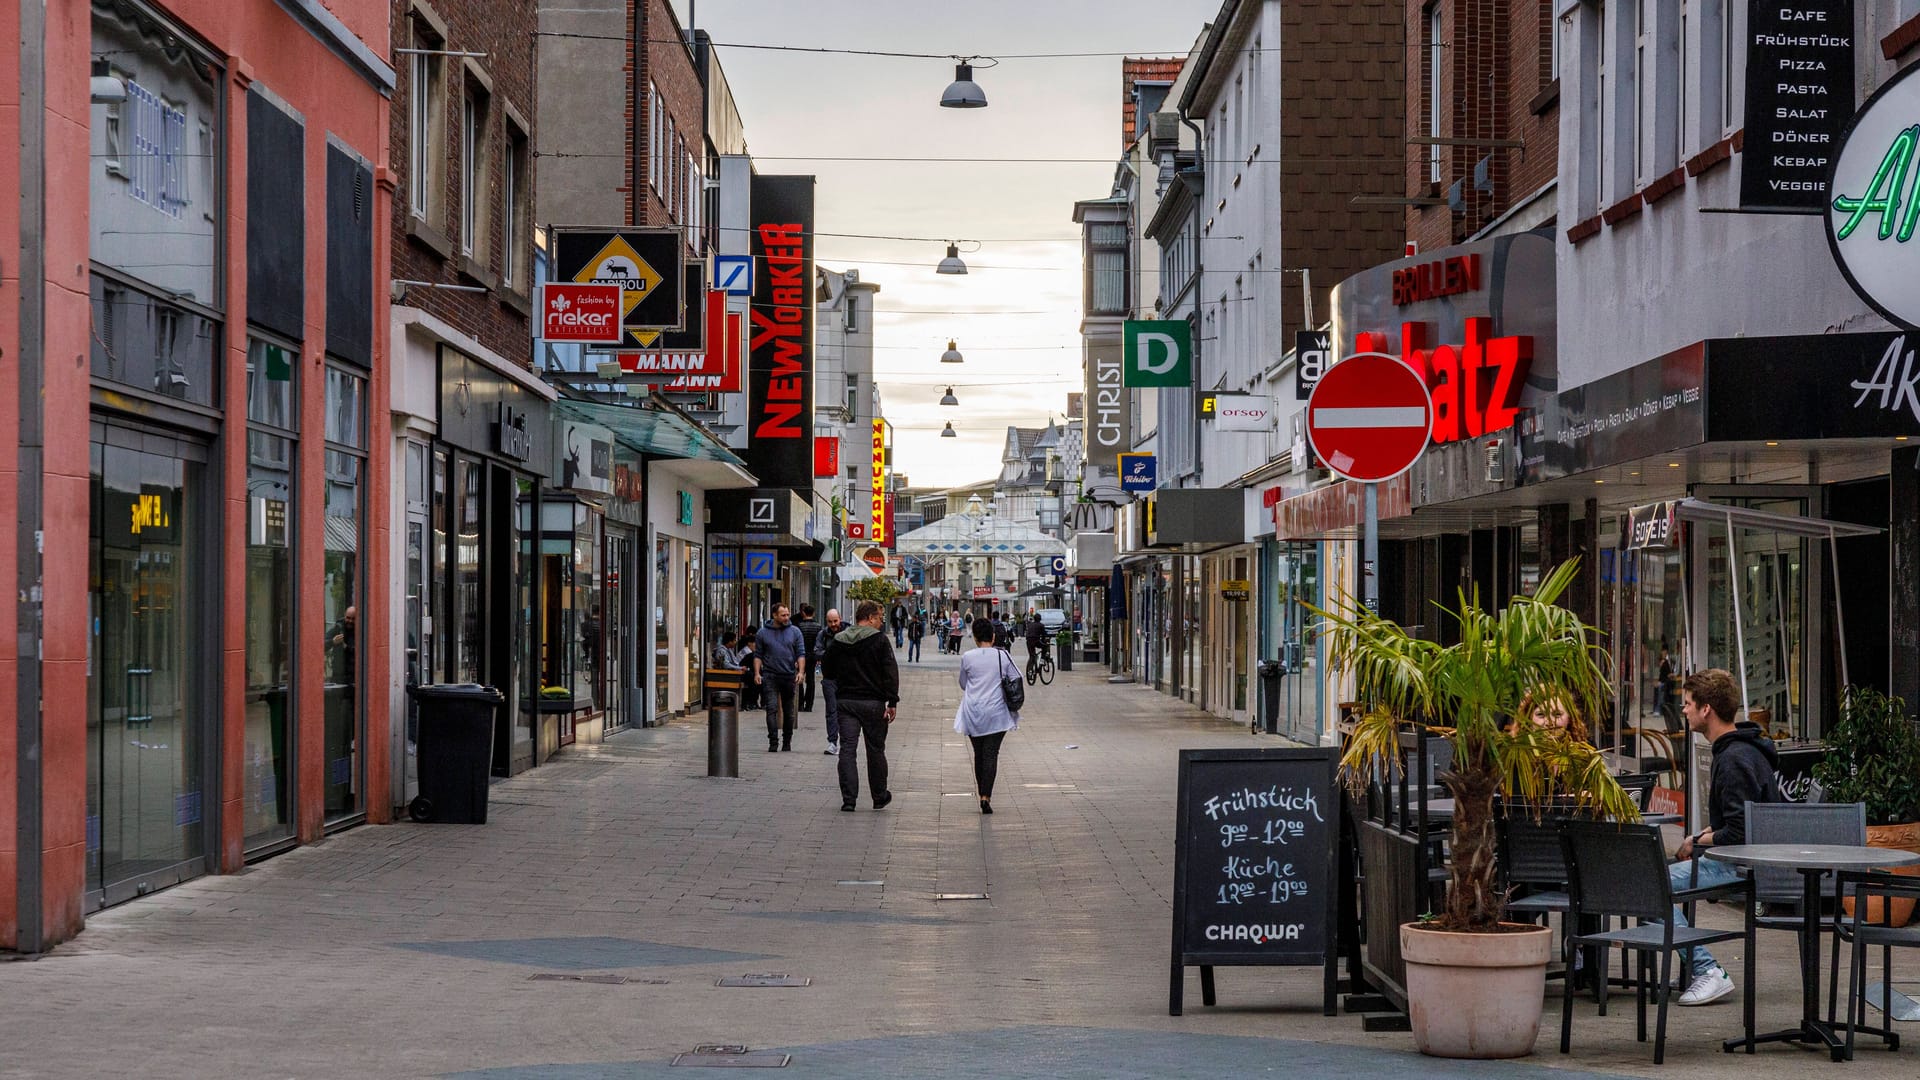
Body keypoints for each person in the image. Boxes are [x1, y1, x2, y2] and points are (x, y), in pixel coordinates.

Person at [1667, 667, 1779, 1007]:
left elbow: (1740, 833)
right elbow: (1739, 821)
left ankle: (1707, 969)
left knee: (1649, 885)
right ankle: (1693, 966)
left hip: (1742, 866)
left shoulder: (1733, 759)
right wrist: (1700, 836)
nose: (1683, 710)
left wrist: (1699, 841)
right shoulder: (1740, 749)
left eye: (1688, 703)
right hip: (1741, 858)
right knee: (1651, 883)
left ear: (1706, 710)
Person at [821, 601, 898, 812]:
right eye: (880, 618)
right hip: (873, 704)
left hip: (846, 703)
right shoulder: (880, 641)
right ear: (870, 618)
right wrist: (892, 702)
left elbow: (827, 669)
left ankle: (849, 799)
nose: (881, 623)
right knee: (875, 750)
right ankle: (879, 796)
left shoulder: (839, 640)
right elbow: (890, 671)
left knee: (847, 749)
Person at [955, 617, 1019, 815]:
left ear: (974, 637)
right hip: (996, 711)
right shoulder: (1002, 656)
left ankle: (981, 791)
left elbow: (963, 683)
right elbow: (1016, 678)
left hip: (973, 711)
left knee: (979, 753)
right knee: (991, 754)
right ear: (993, 636)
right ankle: (986, 796)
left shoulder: (967, 657)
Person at [752, 604, 807, 752]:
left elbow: (801, 653)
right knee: (771, 709)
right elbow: (758, 655)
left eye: (788, 614)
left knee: (789, 712)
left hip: (789, 675)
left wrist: (801, 672)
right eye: (783, 615)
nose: (787, 617)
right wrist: (757, 673)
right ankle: (773, 741)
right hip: (770, 675)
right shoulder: (762, 633)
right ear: (774, 615)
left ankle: (787, 741)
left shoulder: (795, 632)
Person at [818, 608, 846, 755]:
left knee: (846, 710)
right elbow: (817, 651)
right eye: (830, 622)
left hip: (847, 678)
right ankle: (832, 742)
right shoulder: (823, 634)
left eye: (835, 621)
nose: (833, 624)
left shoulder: (849, 631)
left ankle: (846, 741)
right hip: (829, 678)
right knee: (831, 710)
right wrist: (832, 654)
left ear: (840, 619)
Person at [795, 604, 826, 713]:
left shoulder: (799, 626)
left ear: (804, 613)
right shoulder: (818, 627)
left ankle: (799, 704)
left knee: (799, 679)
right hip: (812, 656)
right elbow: (820, 642)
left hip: (801, 655)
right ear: (813, 613)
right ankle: (809, 705)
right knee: (811, 680)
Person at [327, 605, 357, 684]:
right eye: (348, 618)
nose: (350, 621)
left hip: (355, 675)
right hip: (337, 675)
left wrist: (347, 648)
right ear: (344, 616)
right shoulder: (338, 628)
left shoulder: (361, 629)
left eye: (353, 619)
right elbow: (321, 645)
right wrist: (333, 642)